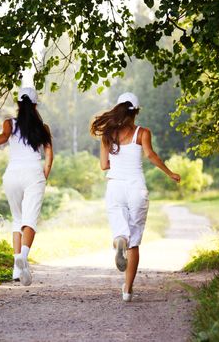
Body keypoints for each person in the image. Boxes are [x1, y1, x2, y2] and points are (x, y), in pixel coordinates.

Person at [90, 92, 180, 302]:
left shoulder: (108, 135)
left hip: (115, 187)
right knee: (135, 241)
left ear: (118, 109)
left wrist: (117, 164)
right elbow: (151, 155)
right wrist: (170, 173)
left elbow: (104, 165)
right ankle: (127, 290)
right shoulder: (142, 132)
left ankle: (119, 239)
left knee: (122, 233)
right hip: (136, 188)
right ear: (136, 111)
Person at [0, 87, 53, 286]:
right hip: (34, 173)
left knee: (17, 219)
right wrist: (44, 176)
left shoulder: (10, 123)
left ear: (18, 104)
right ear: (34, 105)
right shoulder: (43, 128)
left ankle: (17, 270)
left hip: (12, 174)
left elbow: (3, 138)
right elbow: (49, 157)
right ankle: (23, 256)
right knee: (29, 219)